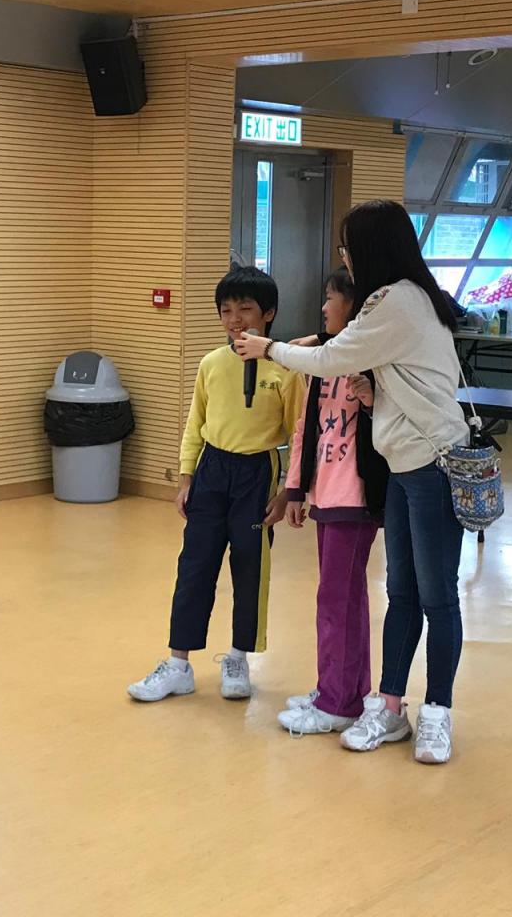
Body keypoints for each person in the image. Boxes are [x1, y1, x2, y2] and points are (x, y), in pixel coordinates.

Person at [233, 200, 470, 765]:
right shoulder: (402, 299)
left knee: (437, 596)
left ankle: (437, 711)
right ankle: (389, 707)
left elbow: (334, 356)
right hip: (406, 468)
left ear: (370, 249)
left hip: (435, 465)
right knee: (402, 592)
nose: (344, 258)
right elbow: (366, 359)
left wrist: (269, 348)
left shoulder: (398, 300)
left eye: (347, 248)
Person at [128, 265, 304, 703]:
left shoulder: (285, 370)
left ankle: (238, 657)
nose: (235, 319)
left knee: (250, 567)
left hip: (257, 472)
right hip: (212, 469)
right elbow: (195, 423)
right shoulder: (210, 364)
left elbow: (299, 433)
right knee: (194, 566)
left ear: (269, 313)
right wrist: (186, 475)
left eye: (245, 309)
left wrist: (289, 490)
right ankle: (178, 664)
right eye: (226, 310)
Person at [277, 269, 390, 736]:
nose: (324, 307)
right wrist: (296, 489)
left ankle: (337, 701)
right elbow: (305, 429)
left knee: (337, 600)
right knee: (342, 597)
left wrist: (372, 401)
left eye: (331, 298)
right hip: (324, 491)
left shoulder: (375, 361)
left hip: (355, 497)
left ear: (355, 306)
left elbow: (393, 422)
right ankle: (345, 691)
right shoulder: (323, 362)